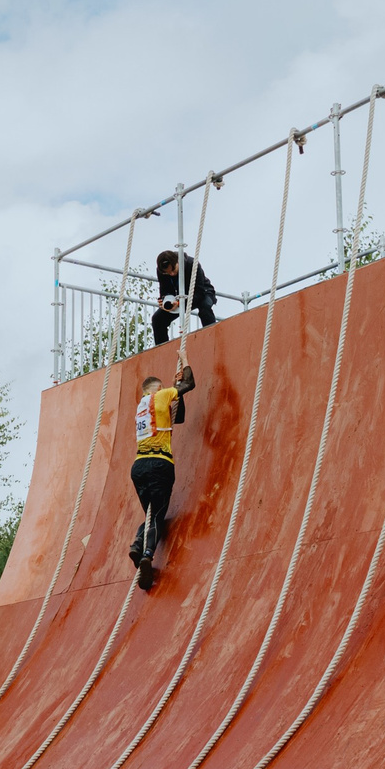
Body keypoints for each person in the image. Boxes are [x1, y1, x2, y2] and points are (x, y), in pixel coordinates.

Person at [127, 363, 194, 590]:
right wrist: (184, 364)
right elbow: (190, 383)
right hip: (160, 464)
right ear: (156, 388)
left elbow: (179, 417)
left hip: (138, 467)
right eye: (163, 387)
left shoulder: (141, 407)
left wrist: (177, 393)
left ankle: (138, 543)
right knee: (157, 516)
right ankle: (147, 554)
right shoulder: (161, 395)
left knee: (150, 515)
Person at [152, 249, 217, 345]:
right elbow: (164, 290)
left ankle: (212, 338)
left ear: (177, 261)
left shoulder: (192, 264)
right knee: (157, 319)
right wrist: (165, 301)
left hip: (203, 292)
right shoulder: (161, 272)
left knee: (205, 308)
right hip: (178, 298)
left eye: (173, 270)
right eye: (168, 273)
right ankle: (161, 348)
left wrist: (179, 303)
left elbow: (199, 292)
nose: (172, 274)